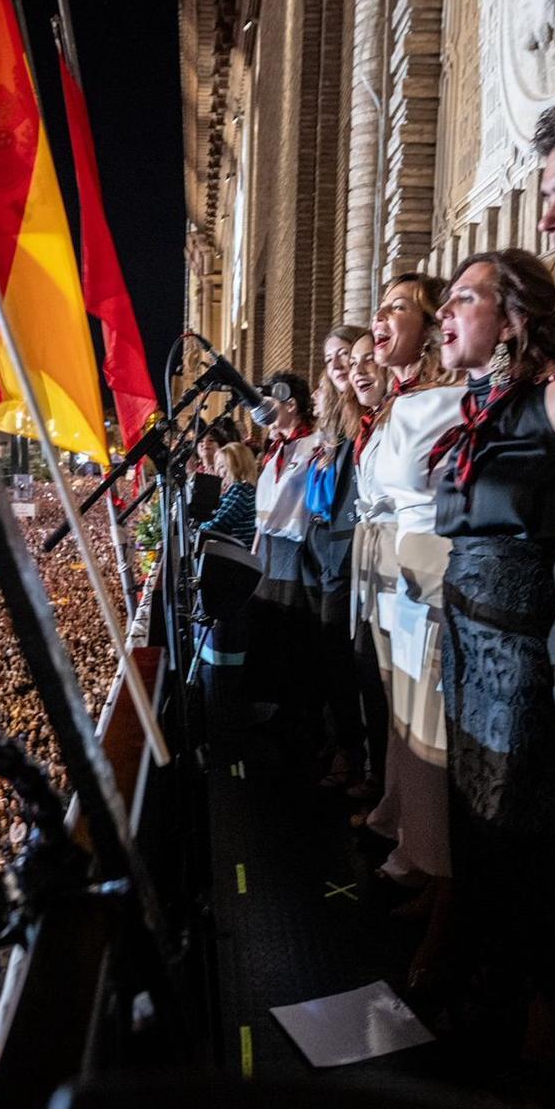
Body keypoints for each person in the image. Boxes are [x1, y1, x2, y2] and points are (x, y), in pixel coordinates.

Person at [429, 249, 555, 1045]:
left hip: (521, 640)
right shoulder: (476, 404)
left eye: (462, 299)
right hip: (463, 627)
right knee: (472, 808)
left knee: (523, 817)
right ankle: (480, 977)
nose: (443, 315)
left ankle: (538, 1002)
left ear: (512, 312)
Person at [352, 275, 462, 980]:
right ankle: (425, 867)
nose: (380, 319)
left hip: (429, 572)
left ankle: (450, 903)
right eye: (381, 306)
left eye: (398, 308)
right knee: (408, 735)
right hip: (398, 575)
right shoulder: (402, 404)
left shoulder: (448, 403)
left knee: (434, 741)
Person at [300, 326, 367, 788]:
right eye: (330, 359)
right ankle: (340, 741)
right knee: (330, 656)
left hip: (355, 551)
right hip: (327, 549)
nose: (339, 364)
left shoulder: (365, 415)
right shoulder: (335, 428)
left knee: (348, 662)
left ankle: (354, 756)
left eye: (345, 354)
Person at [243, 372, 319, 735]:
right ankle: (273, 709)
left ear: (291, 404)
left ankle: (298, 716)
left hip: (296, 546)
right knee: (268, 628)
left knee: (292, 632)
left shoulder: (315, 443)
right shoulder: (275, 448)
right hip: (269, 548)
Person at [342, 333, 393, 805]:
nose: (357, 370)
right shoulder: (370, 424)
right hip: (370, 563)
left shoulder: (410, 412)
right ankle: (381, 782)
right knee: (369, 678)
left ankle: (388, 791)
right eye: (350, 362)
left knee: (393, 694)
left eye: (365, 359)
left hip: (400, 568)